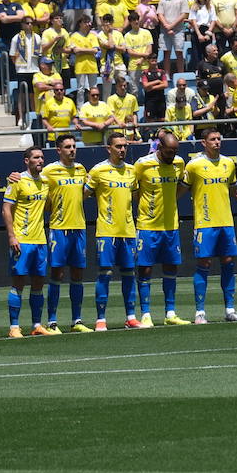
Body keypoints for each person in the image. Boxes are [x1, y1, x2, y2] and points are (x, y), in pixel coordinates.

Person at [178, 125, 237, 322]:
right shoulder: (194, 165)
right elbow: (180, 192)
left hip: (226, 222)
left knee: (228, 263)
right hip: (205, 223)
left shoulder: (228, 163)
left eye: (219, 139)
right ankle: (200, 312)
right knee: (204, 263)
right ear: (204, 143)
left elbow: (234, 191)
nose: (217, 142)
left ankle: (230, 310)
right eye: (213, 139)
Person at [133, 129, 192, 328]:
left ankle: (170, 312)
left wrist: (171, 201)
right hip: (147, 225)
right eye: (169, 152)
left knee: (171, 267)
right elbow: (133, 190)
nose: (172, 156)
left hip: (171, 225)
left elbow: (183, 185)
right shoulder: (143, 164)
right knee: (146, 269)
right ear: (160, 147)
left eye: (175, 151)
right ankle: (146, 314)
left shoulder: (179, 163)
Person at [85, 131, 142, 330]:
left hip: (127, 230)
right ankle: (101, 318)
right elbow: (84, 194)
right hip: (106, 230)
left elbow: (135, 196)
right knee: (105, 273)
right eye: (118, 146)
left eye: (125, 146)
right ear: (108, 148)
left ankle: (131, 317)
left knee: (129, 273)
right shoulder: (98, 171)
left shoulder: (131, 171)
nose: (122, 149)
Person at [36, 134, 91, 331]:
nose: (72, 150)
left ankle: (77, 320)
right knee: (57, 273)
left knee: (77, 273)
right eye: (67, 147)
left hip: (79, 227)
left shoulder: (80, 169)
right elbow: (34, 182)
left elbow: (83, 194)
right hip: (59, 229)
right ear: (59, 150)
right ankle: (52, 321)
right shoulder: (50, 170)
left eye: (74, 146)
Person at [3, 147, 52, 338]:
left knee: (39, 283)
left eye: (42, 158)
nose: (40, 161)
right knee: (18, 282)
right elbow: (6, 209)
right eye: (36, 158)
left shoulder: (45, 182)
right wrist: (11, 236)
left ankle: (37, 325)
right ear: (26, 161)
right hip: (22, 240)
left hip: (40, 239)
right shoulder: (17, 180)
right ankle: (14, 327)